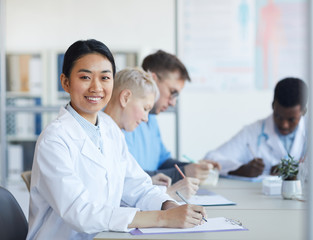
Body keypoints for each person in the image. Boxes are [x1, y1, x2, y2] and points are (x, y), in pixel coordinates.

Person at [26, 39, 206, 240]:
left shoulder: (109, 129)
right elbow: (80, 213)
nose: (96, 87)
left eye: (105, 78)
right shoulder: (54, 140)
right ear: (65, 82)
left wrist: (169, 206)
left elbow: (138, 186)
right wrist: (163, 218)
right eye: (85, 77)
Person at [203, 77, 313, 178]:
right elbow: (211, 158)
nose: (284, 124)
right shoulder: (253, 131)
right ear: (273, 106)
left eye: (291, 119)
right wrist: (240, 169)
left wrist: (299, 170)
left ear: (303, 111)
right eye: (278, 116)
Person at [123, 50, 220, 183]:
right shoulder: (125, 118)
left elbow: (162, 161)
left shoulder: (150, 119)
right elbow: (127, 177)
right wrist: (183, 173)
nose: (173, 103)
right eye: (172, 92)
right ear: (152, 79)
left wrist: (194, 168)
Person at [104, 67, 199, 200]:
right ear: (125, 98)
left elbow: (130, 182)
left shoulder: (116, 135)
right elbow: (114, 196)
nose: (146, 118)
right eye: (145, 108)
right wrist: (169, 193)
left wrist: (150, 181)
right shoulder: (102, 137)